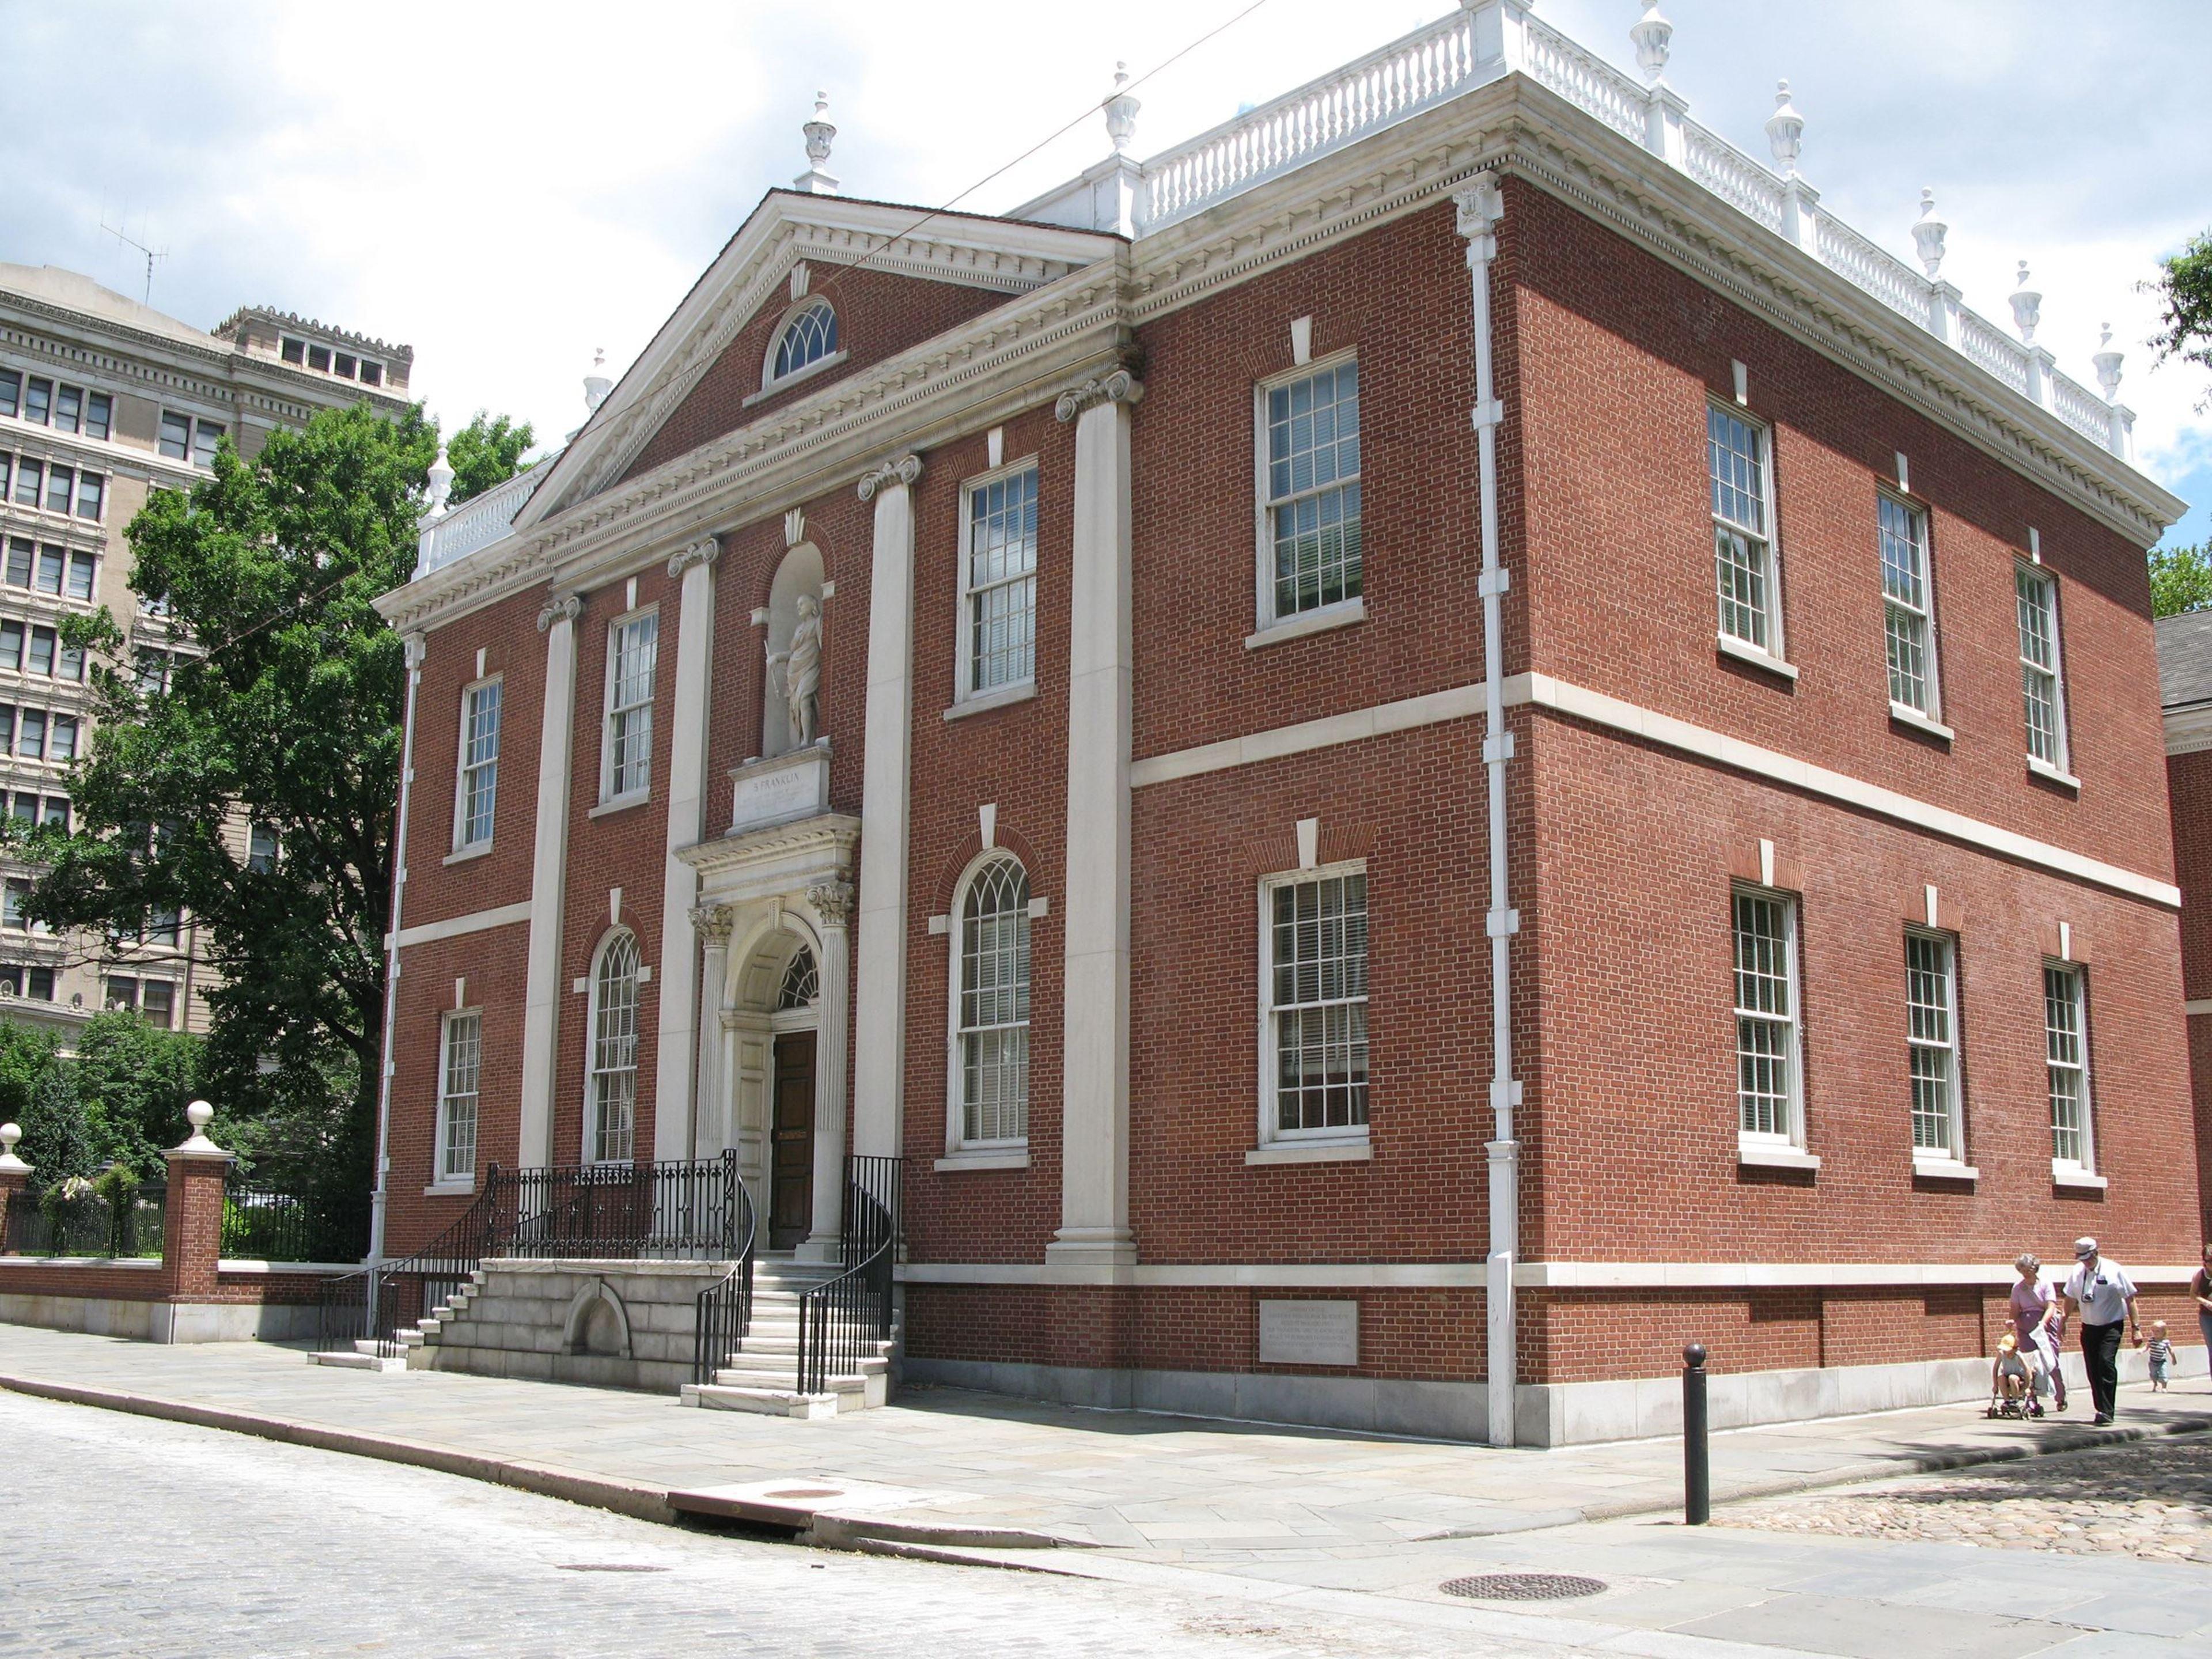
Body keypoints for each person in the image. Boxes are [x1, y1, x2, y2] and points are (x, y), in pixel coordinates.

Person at [2061, 1236, 2141, 1426]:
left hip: (2111, 1325)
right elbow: (2070, 1298)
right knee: (2092, 1368)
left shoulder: (2114, 1270)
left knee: (2105, 1362)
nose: (2085, 1263)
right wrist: (2064, 1320)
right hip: (2089, 1327)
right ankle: (2100, 1409)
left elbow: (2130, 1299)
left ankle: (2107, 1411)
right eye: (2082, 1259)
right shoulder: (2077, 1273)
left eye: (2088, 1258)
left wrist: (2136, 1328)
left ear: (2097, 1253)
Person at [2009, 1252, 2066, 1414]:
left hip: (2043, 1325)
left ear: (2035, 1269)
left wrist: (2044, 1322)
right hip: (2025, 1325)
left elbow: (2051, 1306)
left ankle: (2060, 1396)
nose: (2025, 1274)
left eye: (2028, 1270)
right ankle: (2031, 1399)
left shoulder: (2045, 1284)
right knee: (2029, 1364)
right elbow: (2014, 1309)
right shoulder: (2018, 1288)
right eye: (2022, 1271)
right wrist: (2011, 1321)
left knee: (2051, 1361)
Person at [2196, 1243, 2212, 1377]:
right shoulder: (2200, 1275)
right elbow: (2193, 1294)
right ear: (2204, 1262)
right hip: (2207, 1317)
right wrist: (2206, 1302)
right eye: (2209, 1261)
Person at [2146, 1321, 2173, 1392]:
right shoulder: (2151, 1340)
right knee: (2153, 1375)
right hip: (2153, 1361)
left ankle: (2164, 1387)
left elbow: (2171, 1351)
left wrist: (2174, 1359)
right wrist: (2141, 1351)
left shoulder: (2165, 1342)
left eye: (2158, 1331)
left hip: (2162, 1361)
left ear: (2164, 1332)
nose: (2155, 1333)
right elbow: (2147, 1347)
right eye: (2153, 1331)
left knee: (2163, 1374)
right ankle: (2155, 1385)